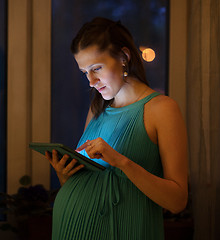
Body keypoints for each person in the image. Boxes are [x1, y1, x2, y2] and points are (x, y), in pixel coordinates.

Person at [45, 17, 188, 240]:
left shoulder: (162, 109)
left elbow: (178, 201)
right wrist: (65, 175)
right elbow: (88, 182)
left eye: (96, 68)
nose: (91, 81)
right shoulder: (97, 109)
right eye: (85, 72)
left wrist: (121, 161)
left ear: (124, 57)